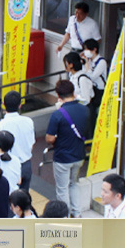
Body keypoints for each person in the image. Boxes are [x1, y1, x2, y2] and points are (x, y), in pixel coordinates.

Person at [45, 80, 89, 217]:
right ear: (73, 92)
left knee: (62, 189)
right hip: (79, 154)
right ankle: (77, 213)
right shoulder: (85, 109)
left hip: (63, 157)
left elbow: (49, 138)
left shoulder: (57, 114)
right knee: (74, 183)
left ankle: (64, 215)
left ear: (58, 95)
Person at [0, 91, 35, 192]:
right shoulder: (29, 121)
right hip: (26, 164)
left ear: (3, 104)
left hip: (8, 166)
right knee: (24, 196)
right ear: (20, 105)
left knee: (7, 195)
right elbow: (32, 143)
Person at [80, 38, 106, 124]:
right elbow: (84, 73)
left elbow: (92, 77)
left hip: (99, 89)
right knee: (91, 111)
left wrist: (87, 64)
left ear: (94, 49)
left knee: (97, 111)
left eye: (87, 49)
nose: (85, 51)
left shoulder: (101, 62)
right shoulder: (89, 60)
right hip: (91, 88)